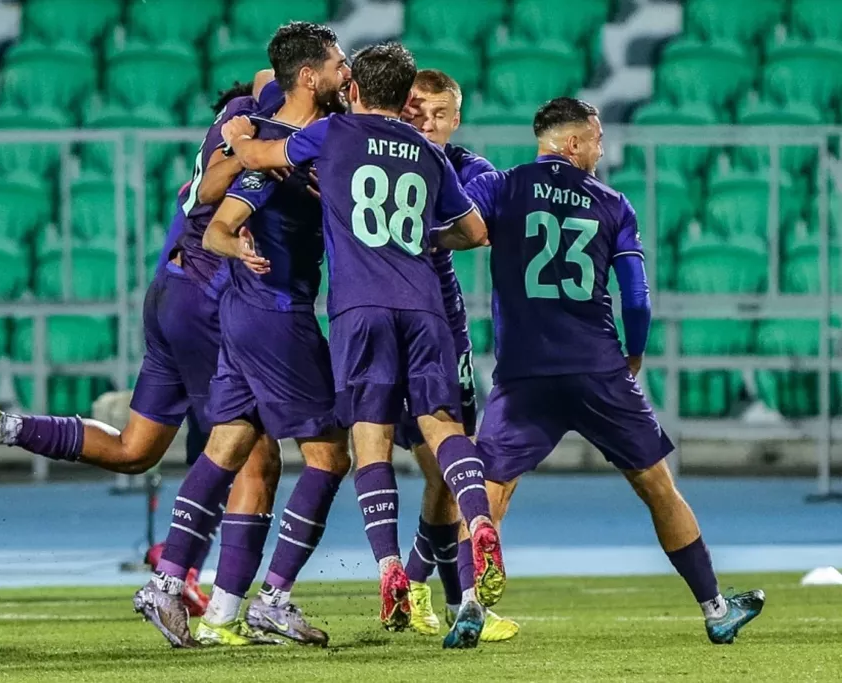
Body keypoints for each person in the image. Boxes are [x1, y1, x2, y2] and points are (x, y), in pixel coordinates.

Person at [0, 79, 279, 619]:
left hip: (170, 296)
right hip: (206, 306)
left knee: (136, 450)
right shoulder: (253, 135)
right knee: (251, 455)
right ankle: (208, 602)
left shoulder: (218, 145)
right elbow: (269, 78)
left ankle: (4, 427)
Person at [454, 96, 765, 648]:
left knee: (490, 490)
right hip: (598, 367)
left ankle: (470, 605)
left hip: (524, 372)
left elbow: (456, 225)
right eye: (596, 139)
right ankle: (715, 609)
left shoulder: (502, 186)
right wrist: (634, 352)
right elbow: (637, 299)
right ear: (572, 142)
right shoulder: (613, 204)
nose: (601, 149)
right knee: (657, 486)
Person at [220, 42, 503, 635]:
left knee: (370, 442)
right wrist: (423, 237)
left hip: (360, 308)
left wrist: (238, 133)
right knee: (445, 428)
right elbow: (476, 232)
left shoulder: (335, 133)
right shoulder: (429, 153)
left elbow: (261, 154)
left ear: (352, 90)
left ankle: (390, 567)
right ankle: (480, 523)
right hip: (426, 306)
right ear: (405, 98)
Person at [134, 22, 351, 649]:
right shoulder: (291, 145)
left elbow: (214, 208)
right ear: (310, 76)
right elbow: (218, 214)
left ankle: (177, 589)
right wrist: (237, 234)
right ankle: (273, 599)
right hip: (277, 315)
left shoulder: (269, 131)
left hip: (239, 313)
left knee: (228, 444)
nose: (345, 74)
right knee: (329, 455)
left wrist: (242, 151)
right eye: (338, 64)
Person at [398, 68, 518, 643]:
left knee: (447, 473)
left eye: (440, 114)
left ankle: (434, 592)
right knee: (438, 469)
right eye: (417, 111)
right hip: (383, 323)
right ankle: (430, 589)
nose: (428, 122)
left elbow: (486, 216)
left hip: (443, 327)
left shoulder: (466, 168)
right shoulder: (376, 158)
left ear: (457, 119)